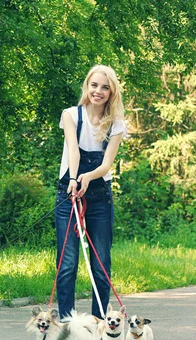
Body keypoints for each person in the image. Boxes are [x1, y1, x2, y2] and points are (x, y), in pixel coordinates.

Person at [55, 64, 128, 320]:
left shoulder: (116, 124)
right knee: (68, 264)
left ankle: (98, 324)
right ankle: (67, 324)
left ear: (112, 92)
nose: (98, 91)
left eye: (105, 87)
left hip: (99, 196)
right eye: (94, 85)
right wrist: (75, 179)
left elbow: (107, 165)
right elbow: (73, 151)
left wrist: (88, 176)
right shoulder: (71, 115)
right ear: (87, 86)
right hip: (69, 192)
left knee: (100, 265)